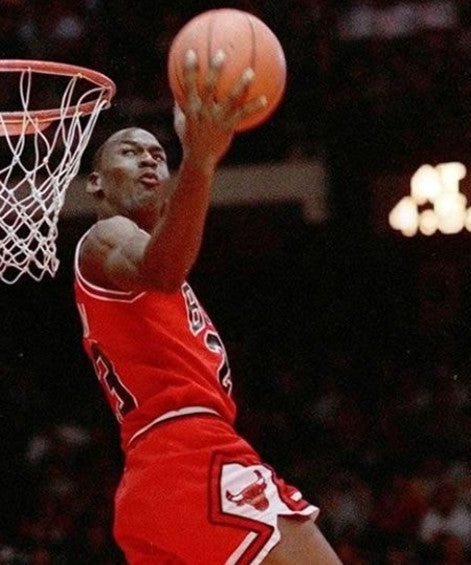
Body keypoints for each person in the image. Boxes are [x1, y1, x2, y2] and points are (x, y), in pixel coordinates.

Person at [73, 48, 342, 564]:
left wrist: (200, 156)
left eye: (159, 154)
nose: (149, 158)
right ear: (96, 183)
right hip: (188, 455)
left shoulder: (155, 259)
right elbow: (162, 267)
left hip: (156, 477)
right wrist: (199, 158)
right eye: (130, 152)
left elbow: (168, 254)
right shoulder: (106, 237)